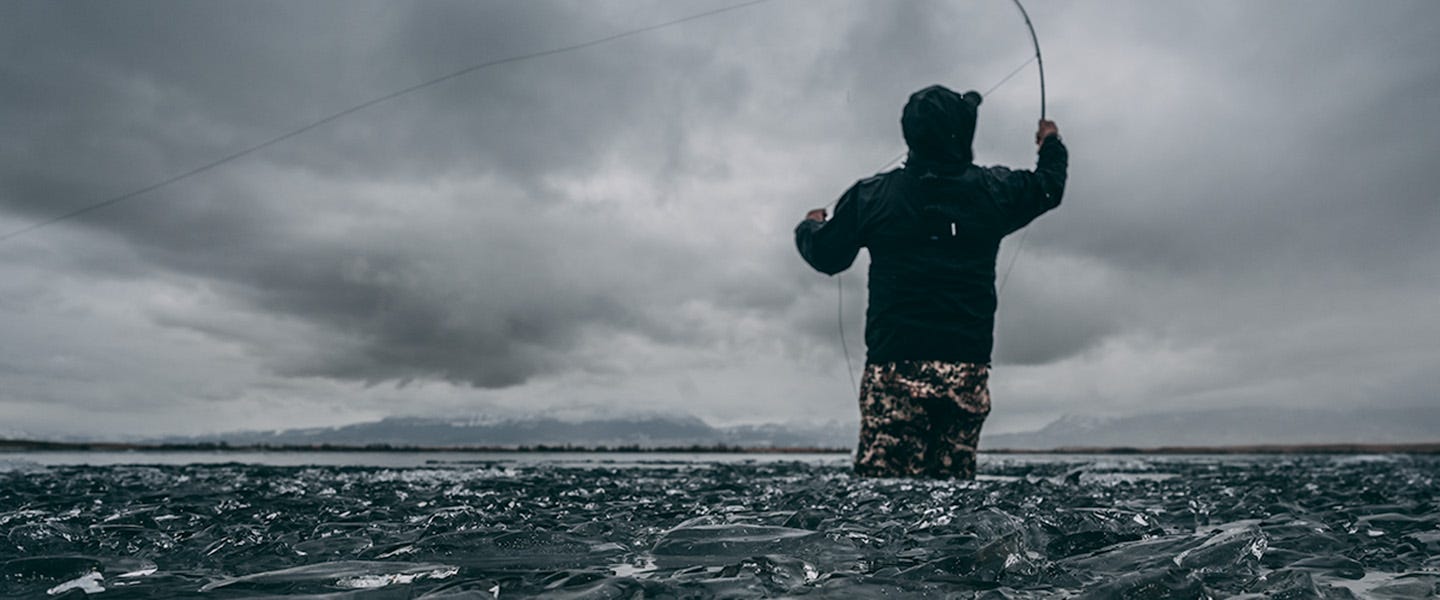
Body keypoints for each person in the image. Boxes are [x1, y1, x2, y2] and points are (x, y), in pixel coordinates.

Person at [794, 84, 1067, 479]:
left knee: (884, 504)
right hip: (967, 369)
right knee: (952, 507)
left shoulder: (872, 197)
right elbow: (1049, 186)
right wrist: (1051, 142)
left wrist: (810, 225)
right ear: (965, 132)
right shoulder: (995, 192)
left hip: (894, 366)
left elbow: (826, 256)